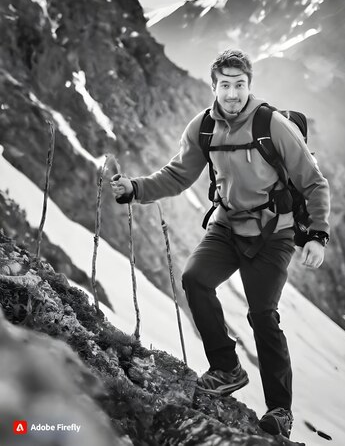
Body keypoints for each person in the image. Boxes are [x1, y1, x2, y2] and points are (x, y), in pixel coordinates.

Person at [110, 49, 330, 438]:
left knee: (263, 315)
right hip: (227, 225)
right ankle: (227, 367)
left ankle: (279, 411)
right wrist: (136, 188)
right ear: (214, 87)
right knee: (195, 279)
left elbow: (314, 182)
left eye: (239, 85)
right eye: (225, 85)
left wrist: (317, 235)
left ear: (249, 85)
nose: (232, 93)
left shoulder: (273, 125)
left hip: (273, 232)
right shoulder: (204, 128)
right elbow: (178, 175)